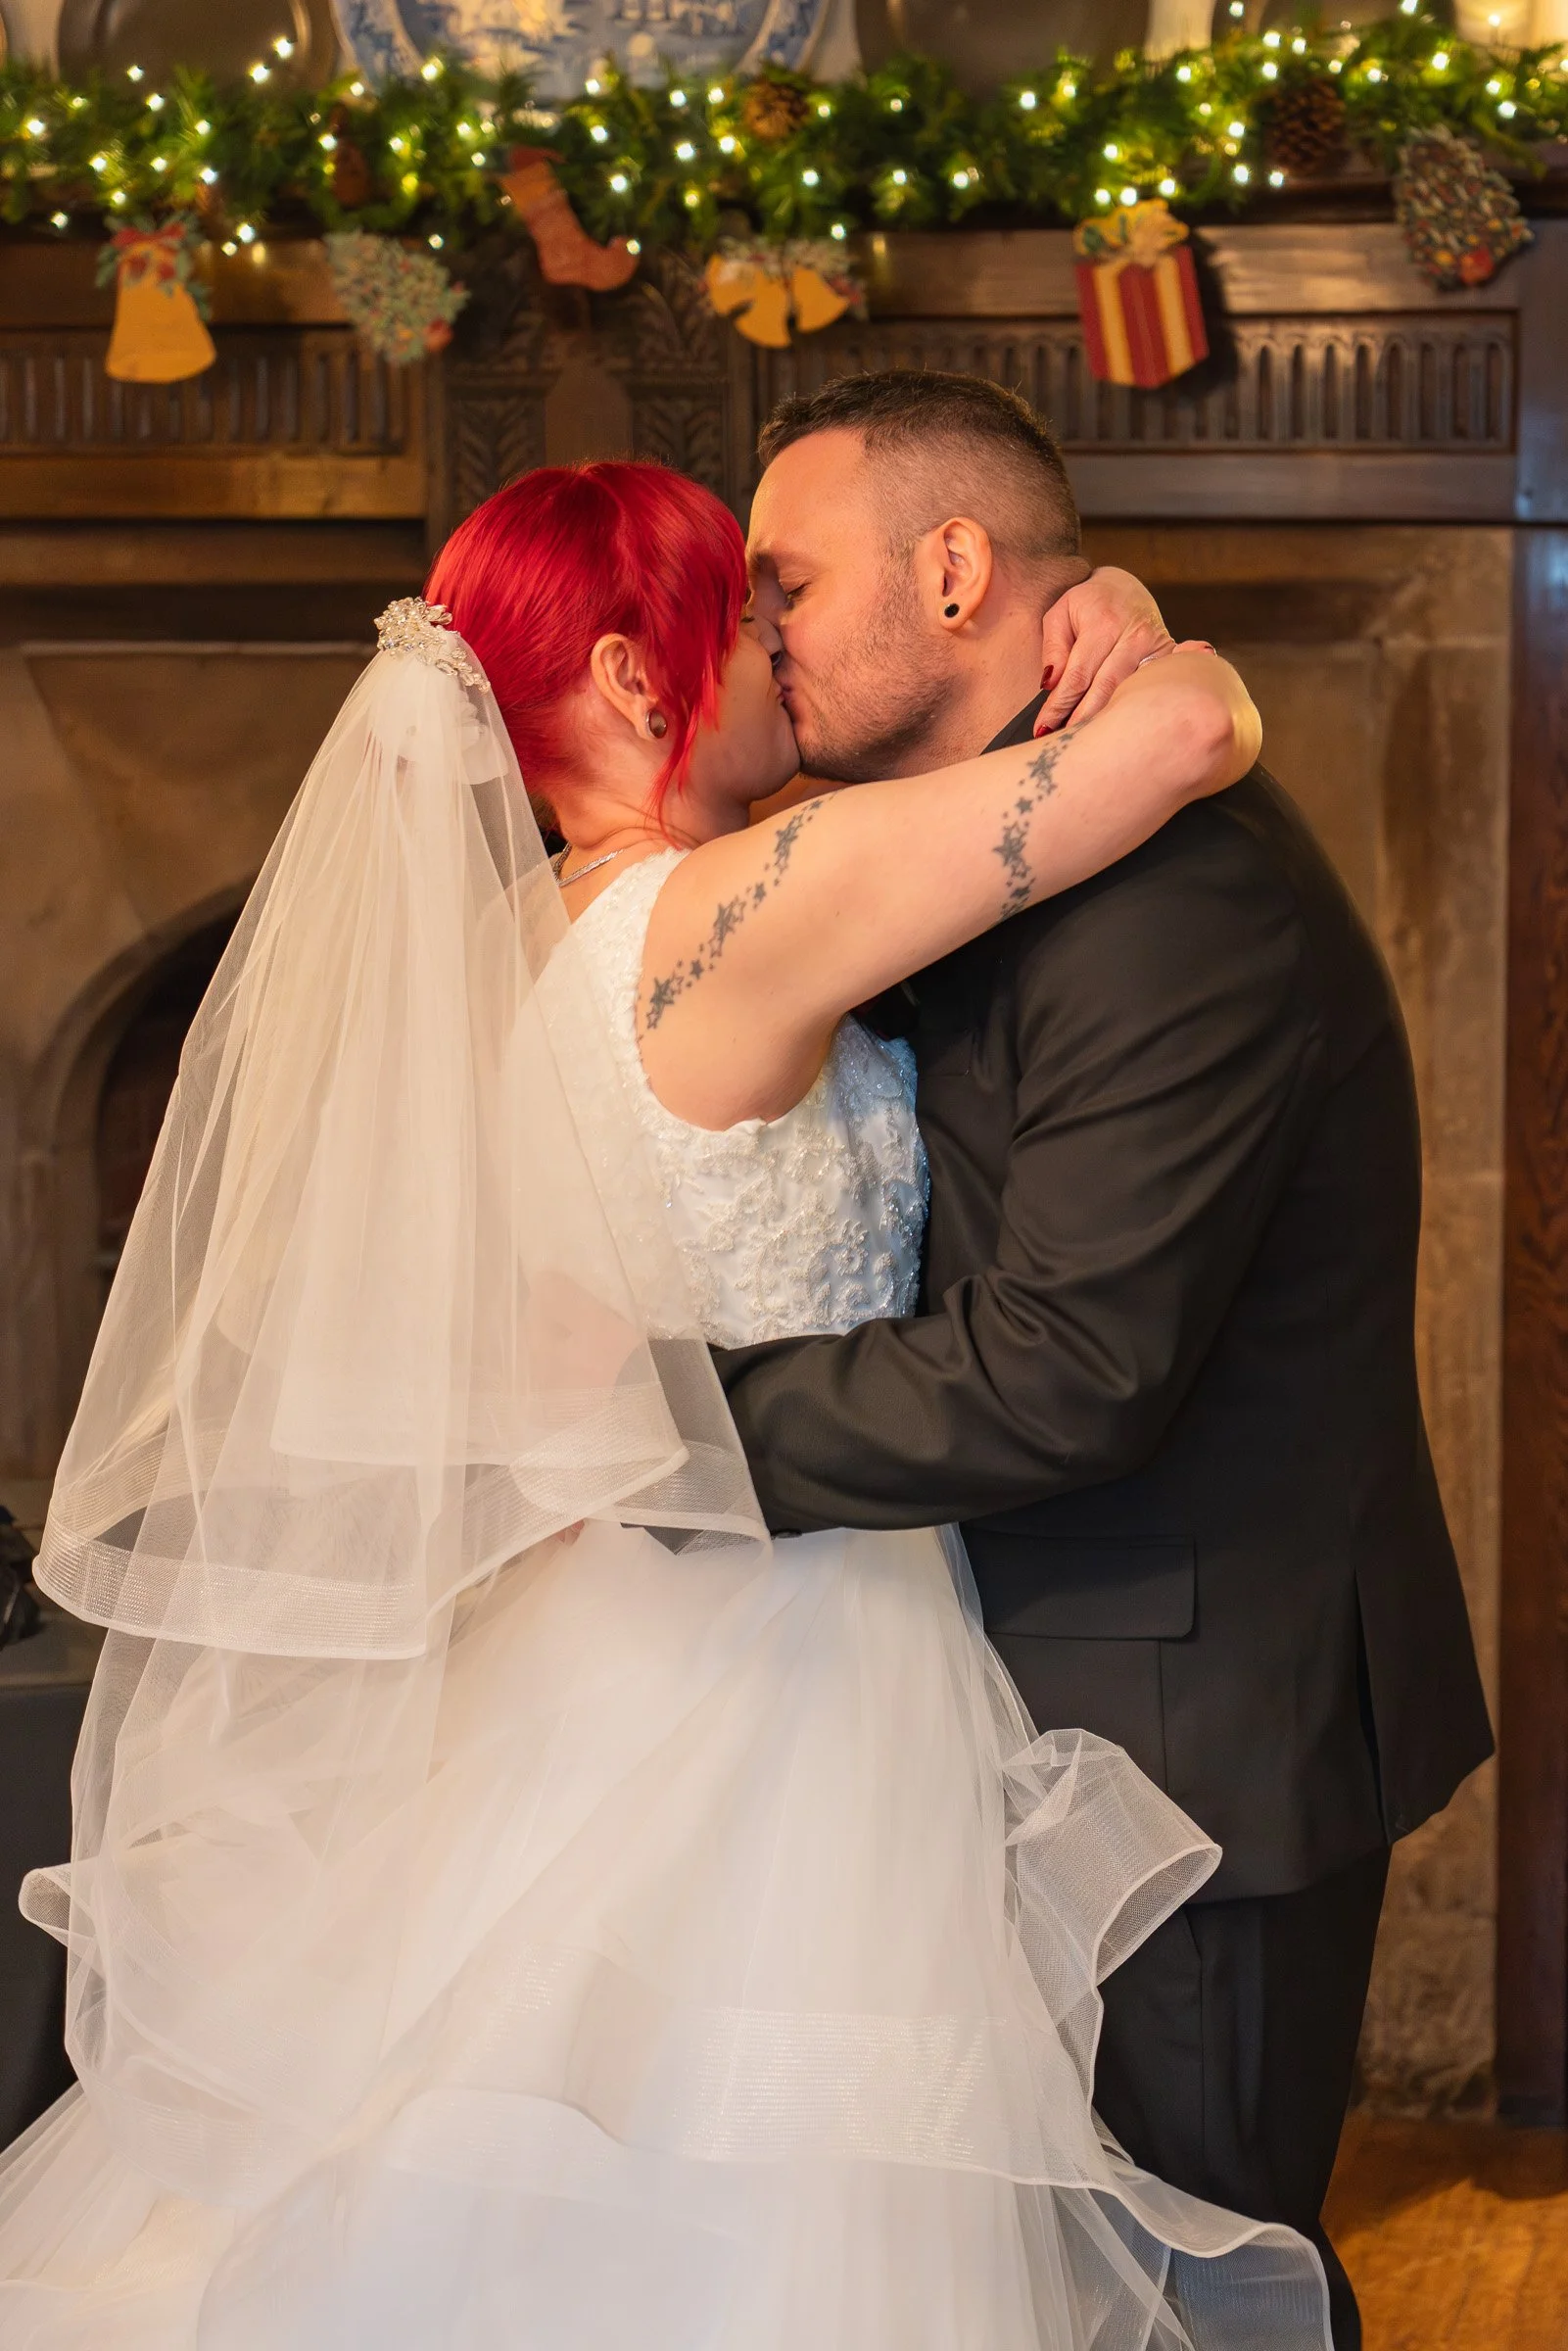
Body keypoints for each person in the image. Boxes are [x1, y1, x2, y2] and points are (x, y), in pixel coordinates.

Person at [0, 455, 1333, 2349]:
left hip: (587, 1641)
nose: (789, 655)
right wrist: (1138, 628)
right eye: (758, 612)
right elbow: (1184, 734)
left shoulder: (531, 941)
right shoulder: (742, 904)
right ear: (640, 681)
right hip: (783, 1661)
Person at [709, 369, 1497, 2350]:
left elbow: (1067, 1366)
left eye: (782, 580)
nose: (757, 633)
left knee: (1185, 2286)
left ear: (953, 570)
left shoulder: (1177, 904)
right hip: (987, 1694)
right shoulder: (975, 844)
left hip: (1188, 1734)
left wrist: (651, 1433)